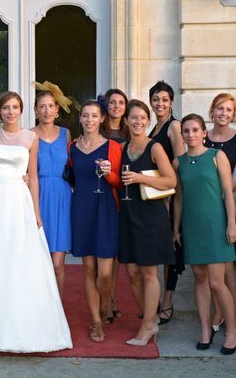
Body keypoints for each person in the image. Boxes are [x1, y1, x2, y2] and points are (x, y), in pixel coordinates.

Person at [0, 91, 72, 352]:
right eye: (6, 107)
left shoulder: (31, 138)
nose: (10, 112)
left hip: (18, 201)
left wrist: (36, 214)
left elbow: (32, 176)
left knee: (21, 259)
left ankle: (24, 327)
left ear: (22, 110)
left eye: (15, 107)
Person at [172, 114, 236, 355]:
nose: (190, 135)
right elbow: (178, 198)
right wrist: (176, 228)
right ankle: (204, 329)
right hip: (191, 226)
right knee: (200, 280)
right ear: (183, 135)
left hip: (215, 225)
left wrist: (232, 224)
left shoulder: (216, 156)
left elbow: (228, 193)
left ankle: (232, 330)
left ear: (204, 133)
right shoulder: (178, 163)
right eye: (186, 131)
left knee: (217, 282)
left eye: (195, 130)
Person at [119, 99, 176, 346]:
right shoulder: (122, 147)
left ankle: (148, 325)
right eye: (133, 118)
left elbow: (171, 181)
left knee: (149, 272)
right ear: (126, 121)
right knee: (132, 271)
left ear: (148, 120)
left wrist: (140, 177)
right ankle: (150, 318)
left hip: (151, 217)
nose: (138, 122)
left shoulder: (155, 148)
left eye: (143, 118)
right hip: (128, 215)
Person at [69, 100, 121, 343]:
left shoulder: (113, 146)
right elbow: (70, 179)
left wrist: (109, 173)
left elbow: (120, 182)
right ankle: (97, 321)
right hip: (81, 209)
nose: (89, 120)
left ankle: (103, 307)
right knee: (88, 269)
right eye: (85, 115)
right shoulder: (72, 147)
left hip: (106, 209)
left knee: (106, 273)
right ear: (80, 119)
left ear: (102, 119)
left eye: (94, 116)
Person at [205, 93, 236, 334]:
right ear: (212, 110)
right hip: (204, 210)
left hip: (227, 204)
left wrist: (214, 196)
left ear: (234, 114)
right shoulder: (203, 137)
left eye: (229, 110)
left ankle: (231, 311)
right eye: (220, 108)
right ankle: (220, 310)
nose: (223, 113)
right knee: (212, 264)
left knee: (227, 263)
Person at [148, 80, 185, 324]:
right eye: (155, 99)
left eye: (164, 99)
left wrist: (169, 190)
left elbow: (180, 160)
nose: (159, 103)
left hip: (175, 192)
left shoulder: (174, 126)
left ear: (171, 102)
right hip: (158, 194)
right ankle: (159, 300)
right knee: (163, 250)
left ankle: (168, 303)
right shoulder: (154, 128)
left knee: (173, 249)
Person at [31, 89, 72, 300]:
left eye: (51, 106)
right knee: (37, 262)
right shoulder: (28, 135)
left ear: (57, 110)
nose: (47, 110)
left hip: (62, 198)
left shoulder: (66, 134)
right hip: (36, 197)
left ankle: (58, 311)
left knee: (58, 264)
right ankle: (38, 309)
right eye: (42, 106)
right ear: (35, 110)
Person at [100, 87, 129, 323]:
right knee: (106, 252)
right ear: (106, 106)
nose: (116, 106)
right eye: (112, 102)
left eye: (120, 102)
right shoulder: (98, 129)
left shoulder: (132, 130)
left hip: (125, 192)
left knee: (117, 254)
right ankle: (106, 302)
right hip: (102, 193)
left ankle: (113, 298)